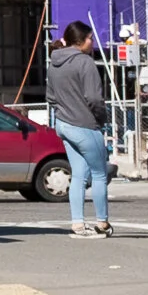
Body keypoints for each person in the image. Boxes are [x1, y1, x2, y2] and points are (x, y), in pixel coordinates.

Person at [45, 19, 111, 238]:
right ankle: (102, 222)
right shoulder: (85, 62)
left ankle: (78, 223)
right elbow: (94, 98)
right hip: (85, 125)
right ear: (81, 41)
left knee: (78, 175)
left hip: (63, 124)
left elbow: (51, 97)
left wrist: (64, 111)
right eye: (90, 38)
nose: (93, 42)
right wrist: (101, 119)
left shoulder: (54, 63)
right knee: (99, 174)